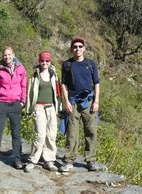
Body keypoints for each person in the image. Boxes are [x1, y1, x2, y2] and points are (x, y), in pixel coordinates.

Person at [59, 37, 101, 172]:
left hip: (88, 102)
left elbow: (96, 83)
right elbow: (63, 84)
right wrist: (65, 101)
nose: (77, 49)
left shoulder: (91, 64)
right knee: (72, 133)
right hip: (72, 102)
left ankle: (91, 160)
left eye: (80, 46)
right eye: (75, 47)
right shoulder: (67, 64)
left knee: (91, 131)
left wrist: (96, 101)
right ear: (72, 49)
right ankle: (69, 161)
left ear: (84, 48)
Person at [0, 47, 27, 172]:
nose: (7, 57)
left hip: (15, 104)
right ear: (3, 56)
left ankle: (17, 158)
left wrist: (22, 101)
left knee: (16, 134)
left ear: (13, 55)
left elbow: (24, 85)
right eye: (5, 55)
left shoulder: (20, 68)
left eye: (9, 55)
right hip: (2, 104)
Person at [24, 51, 61, 172]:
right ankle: (33, 160)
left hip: (51, 108)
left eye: (47, 60)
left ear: (50, 62)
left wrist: (58, 108)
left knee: (51, 135)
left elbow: (58, 92)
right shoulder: (35, 76)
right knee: (39, 135)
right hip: (39, 108)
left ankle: (49, 160)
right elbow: (30, 93)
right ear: (39, 61)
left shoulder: (54, 75)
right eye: (42, 60)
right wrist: (29, 109)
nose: (44, 63)